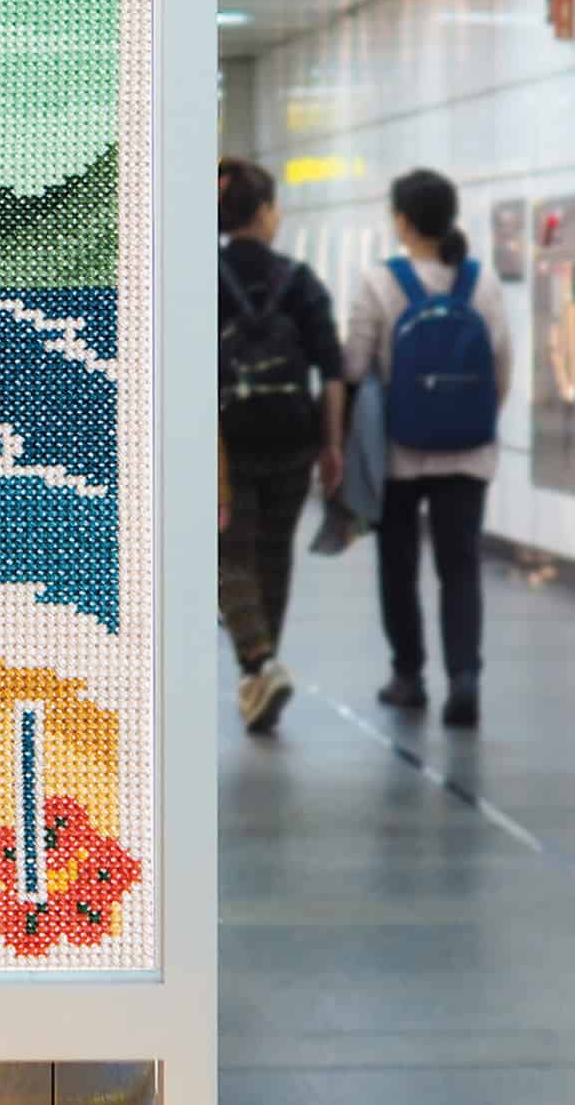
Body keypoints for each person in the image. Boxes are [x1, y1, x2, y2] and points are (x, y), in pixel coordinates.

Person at [344, 169, 511, 729]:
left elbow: (354, 366)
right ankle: (464, 677)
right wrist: (469, 420)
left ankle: (408, 676)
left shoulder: (379, 283)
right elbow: (501, 368)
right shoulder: (482, 282)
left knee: (398, 566)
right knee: (460, 567)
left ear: (402, 221)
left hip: (399, 451)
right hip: (467, 454)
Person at [218, 158, 344, 733]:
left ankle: (259, 664)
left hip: (225, 439)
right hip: (293, 437)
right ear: (265, 212)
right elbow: (332, 372)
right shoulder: (300, 281)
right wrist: (332, 446)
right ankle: (261, 671)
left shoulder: (202, 278)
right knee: (273, 553)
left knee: (226, 554)